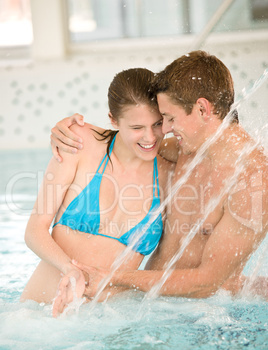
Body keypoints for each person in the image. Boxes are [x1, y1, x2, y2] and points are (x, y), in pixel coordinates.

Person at [51, 51, 268, 310]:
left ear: (202, 109)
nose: (164, 129)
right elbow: (131, 140)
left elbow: (207, 282)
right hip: (152, 307)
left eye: (171, 118)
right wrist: (71, 133)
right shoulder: (186, 150)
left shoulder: (253, 181)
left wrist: (114, 277)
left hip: (201, 318)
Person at [21, 68, 172, 316]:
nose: (150, 137)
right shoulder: (78, 142)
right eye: (137, 127)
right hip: (39, 316)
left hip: (110, 325)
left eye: (157, 124)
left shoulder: (170, 171)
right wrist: (70, 270)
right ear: (113, 119)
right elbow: (34, 230)